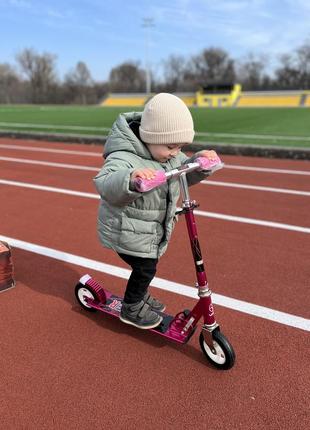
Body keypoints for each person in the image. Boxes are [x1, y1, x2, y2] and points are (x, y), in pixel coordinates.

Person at [94, 93, 218, 330]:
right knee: (145, 267)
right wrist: (131, 178)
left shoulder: (168, 155)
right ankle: (131, 306)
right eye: (171, 146)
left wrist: (200, 163)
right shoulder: (124, 156)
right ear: (150, 137)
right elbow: (106, 182)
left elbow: (183, 172)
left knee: (147, 267)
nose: (175, 152)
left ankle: (139, 294)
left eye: (181, 147)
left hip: (149, 230)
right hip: (125, 230)